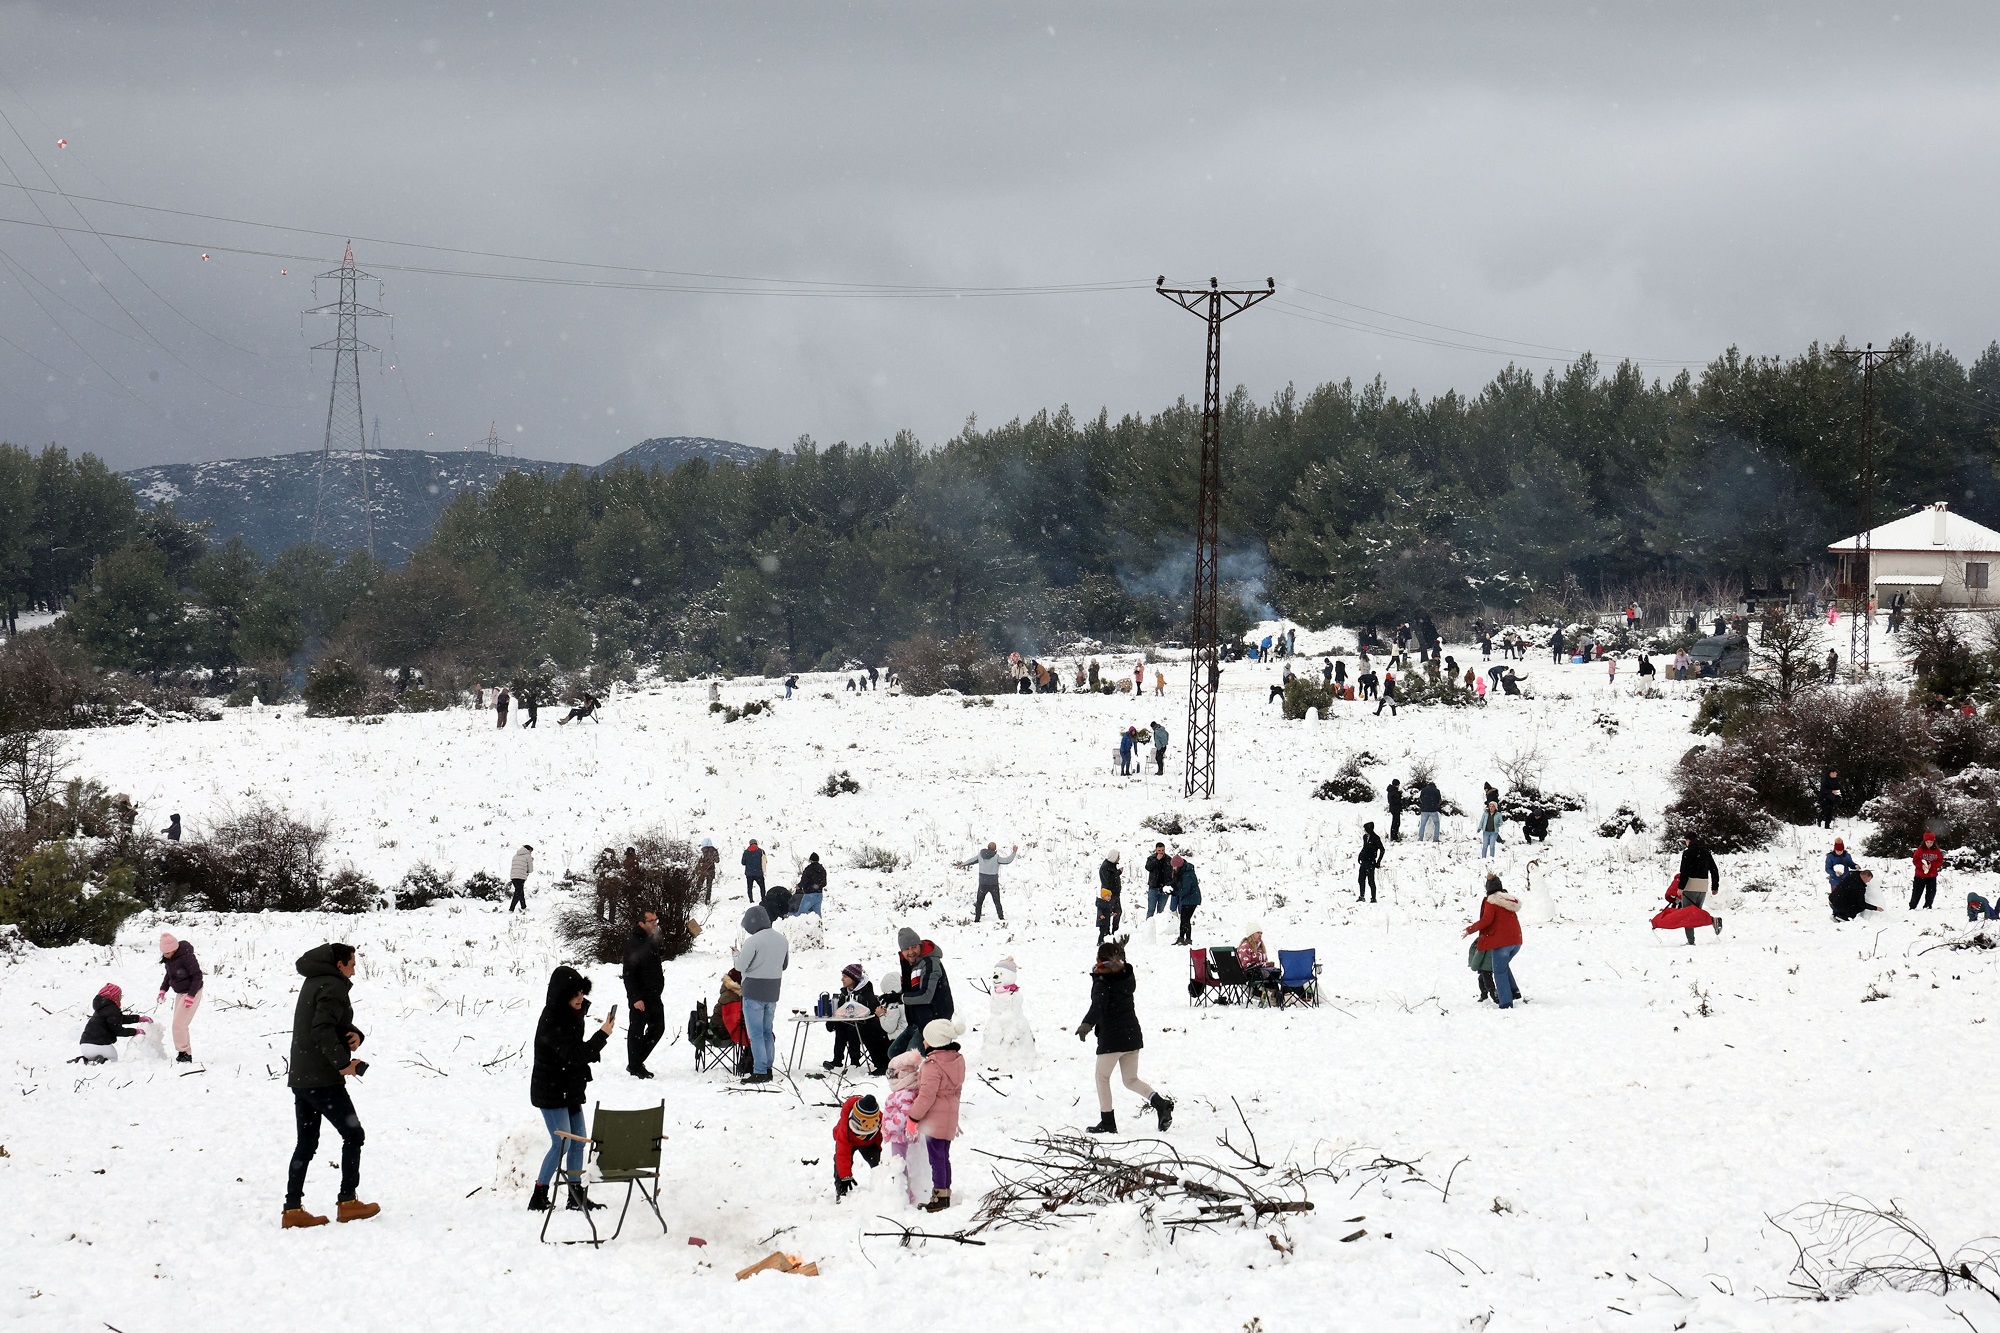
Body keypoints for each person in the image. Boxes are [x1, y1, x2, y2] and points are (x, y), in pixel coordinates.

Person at [284, 943, 378, 1227]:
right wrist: (343, 1064)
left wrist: (354, 1034)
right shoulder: (334, 986)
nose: (354, 969)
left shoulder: (314, 981)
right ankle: (348, 1202)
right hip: (323, 1079)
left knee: (307, 1143)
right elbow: (321, 1029)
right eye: (351, 963)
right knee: (354, 1135)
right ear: (339, 964)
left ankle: (292, 1210)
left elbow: (329, 1023)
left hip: (303, 1077)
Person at [529, 965, 616, 1212]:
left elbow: (575, 1054)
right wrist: (602, 1035)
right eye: (574, 995)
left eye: (581, 993)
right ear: (561, 997)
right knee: (562, 1144)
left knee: (578, 1142)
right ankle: (539, 1195)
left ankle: (576, 1197)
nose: (580, 999)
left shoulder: (572, 1014)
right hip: (551, 1091)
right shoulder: (552, 1022)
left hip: (570, 1088)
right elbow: (574, 1054)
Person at [1078, 939, 1175, 1135]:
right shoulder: (1125, 978)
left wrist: (1086, 1024)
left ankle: (1107, 1122)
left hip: (1113, 1038)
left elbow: (1098, 1005)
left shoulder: (1102, 982)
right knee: (1130, 1079)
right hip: (1132, 1035)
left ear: (1100, 960)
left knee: (1102, 1077)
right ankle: (1160, 1103)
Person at [910, 1017, 968, 1212]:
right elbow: (956, 1091)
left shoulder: (932, 1066)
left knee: (936, 1158)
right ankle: (945, 1193)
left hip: (934, 1119)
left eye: (926, 1039)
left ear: (934, 1042)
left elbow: (926, 1096)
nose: (923, 1042)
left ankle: (939, 1197)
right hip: (949, 1116)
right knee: (943, 1156)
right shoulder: (957, 1060)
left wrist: (913, 1117)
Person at [732, 904, 788, 1083]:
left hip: (753, 991)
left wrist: (736, 955)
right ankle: (768, 1068)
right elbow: (784, 965)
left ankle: (760, 1071)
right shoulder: (782, 940)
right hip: (773, 991)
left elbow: (741, 966)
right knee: (766, 1032)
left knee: (755, 1034)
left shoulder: (753, 941)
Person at [884, 927, 954, 1058]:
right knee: (894, 1053)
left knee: (912, 1058)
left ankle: (927, 1075)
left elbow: (926, 995)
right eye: (906, 949)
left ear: (920, 945)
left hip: (934, 1022)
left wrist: (901, 997)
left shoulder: (930, 963)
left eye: (914, 947)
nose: (910, 952)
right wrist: (895, 996)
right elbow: (911, 991)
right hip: (917, 1022)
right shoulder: (912, 965)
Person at [1463, 876, 1524, 1009]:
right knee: (1503, 966)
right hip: (1516, 942)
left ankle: (1506, 1002)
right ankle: (1514, 992)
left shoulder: (1491, 902)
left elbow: (1486, 921)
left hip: (1502, 944)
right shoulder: (1508, 900)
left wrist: (1470, 929)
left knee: (1499, 972)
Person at [880, 1052, 929, 1204]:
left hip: (899, 1136)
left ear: (902, 1075)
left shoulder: (905, 1094)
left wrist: (888, 1126)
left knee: (898, 1165)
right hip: (900, 1134)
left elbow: (905, 1115)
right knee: (899, 1163)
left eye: (891, 1074)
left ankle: (904, 1192)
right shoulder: (906, 1092)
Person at [623, 910, 665, 1078]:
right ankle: (635, 1065)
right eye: (651, 921)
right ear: (641, 923)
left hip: (654, 995)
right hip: (640, 997)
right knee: (637, 1030)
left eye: (656, 920)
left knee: (658, 1028)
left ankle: (636, 1061)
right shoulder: (634, 943)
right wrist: (635, 998)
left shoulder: (650, 938)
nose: (655, 923)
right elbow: (628, 973)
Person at [826, 964, 889, 1074]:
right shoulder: (844, 994)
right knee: (840, 1028)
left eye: (845, 976)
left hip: (867, 1028)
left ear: (854, 978)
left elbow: (873, 1014)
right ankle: (837, 1060)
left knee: (852, 1028)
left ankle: (854, 1062)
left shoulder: (867, 994)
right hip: (849, 1025)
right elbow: (840, 1011)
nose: (842, 979)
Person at [156, 932, 204, 1063]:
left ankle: (184, 1053)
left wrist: (191, 996)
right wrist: (163, 990)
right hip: (181, 992)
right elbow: (169, 975)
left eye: (166, 953)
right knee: (179, 1024)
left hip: (192, 991)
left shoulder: (187, 957)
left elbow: (197, 976)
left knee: (179, 1024)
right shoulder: (170, 959)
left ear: (174, 949)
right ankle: (184, 1052)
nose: (164, 956)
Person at [76, 982, 151, 1063]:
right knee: (113, 1059)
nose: (120, 999)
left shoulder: (102, 1009)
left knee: (105, 1057)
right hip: (98, 1045)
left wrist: (138, 1019)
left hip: (84, 1045)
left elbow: (119, 1019)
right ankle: (100, 1062)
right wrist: (135, 1031)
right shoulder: (112, 1010)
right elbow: (118, 1030)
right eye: (119, 996)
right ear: (114, 997)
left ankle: (84, 1059)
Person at [831, 1094, 884, 1199]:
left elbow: (881, 1141)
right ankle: (841, 1190)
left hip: (870, 1143)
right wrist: (845, 1176)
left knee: (878, 1163)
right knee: (840, 1164)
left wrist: (881, 1152)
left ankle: (882, 1186)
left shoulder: (880, 1120)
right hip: (850, 1142)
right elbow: (842, 1154)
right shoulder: (844, 1129)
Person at [956, 841, 1017, 923]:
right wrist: (1014, 852)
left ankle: (977, 919)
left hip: (983, 883)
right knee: (997, 902)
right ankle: (1001, 918)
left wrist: (962, 864)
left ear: (987, 848)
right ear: (995, 849)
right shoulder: (996, 857)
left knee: (979, 902)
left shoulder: (980, 855)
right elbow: (1007, 860)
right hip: (993, 884)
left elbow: (971, 860)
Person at [1237, 926, 1284, 1005]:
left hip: (1260, 971)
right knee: (1273, 974)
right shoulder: (1245, 947)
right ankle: (1269, 996)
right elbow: (1245, 965)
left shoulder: (1260, 947)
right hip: (1250, 973)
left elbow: (1263, 961)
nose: (1260, 935)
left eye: (1261, 933)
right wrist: (1264, 965)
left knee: (1276, 971)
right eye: (1258, 933)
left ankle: (1274, 996)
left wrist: (1268, 964)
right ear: (1251, 934)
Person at [1677, 834, 1720, 916]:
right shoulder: (1706, 853)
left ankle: (1709, 921)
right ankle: (1712, 921)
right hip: (1703, 888)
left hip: (1690, 887)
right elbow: (1714, 870)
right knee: (1696, 914)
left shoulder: (1687, 853)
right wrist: (1715, 887)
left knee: (1688, 916)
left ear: (1689, 840)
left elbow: (1684, 871)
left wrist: (1681, 887)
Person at [1169, 854, 1200, 946]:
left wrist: (1174, 893)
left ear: (1178, 866)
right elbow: (1176, 882)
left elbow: (1186, 889)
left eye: (1174, 866)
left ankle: (1187, 939)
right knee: (1184, 919)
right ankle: (1182, 938)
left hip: (1192, 899)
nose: (1173, 868)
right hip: (1188, 899)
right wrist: (1168, 885)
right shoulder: (1182, 872)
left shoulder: (1187, 874)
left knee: (1185, 919)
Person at [1911, 830, 1943, 910]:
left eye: (1931, 842)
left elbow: (1940, 861)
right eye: (1927, 842)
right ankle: (1912, 906)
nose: (1929, 844)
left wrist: (1932, 866)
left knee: (1931, 891)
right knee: (1917, 892)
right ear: (1924, 841)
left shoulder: (1936, 851)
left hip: (1931, 875)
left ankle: (1928, 905)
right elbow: (1915, 860)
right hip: (1920, 875)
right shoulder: (1920, 849)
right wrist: (1921, 866)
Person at [1096, 850, 1123, 939]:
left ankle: (1115, 932)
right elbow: (1109, 880)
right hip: (1108, 895)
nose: (1119, 858)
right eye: (1118, 857)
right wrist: (1118, 872)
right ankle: (1105, 934)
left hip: (1115, 894)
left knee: (1117, 912)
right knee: (1107, 914)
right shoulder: (1105, 867)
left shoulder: (1111, 865)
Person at [1358, 821, 1384, 902]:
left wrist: (1378, 861)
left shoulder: (1376, 838)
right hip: (1364, 861)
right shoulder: (1365, 837)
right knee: (1361, 879)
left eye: (1365, 829)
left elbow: (1382, 850)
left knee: (1371, 881)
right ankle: (1361, 896)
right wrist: (1360, 855)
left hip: (1371, 861)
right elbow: (1364, 847)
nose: (1364, 831)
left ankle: (1373, 898)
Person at [1144, 842, 1172, 918]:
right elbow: (1148, 867)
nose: (1161, 852)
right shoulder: (1151, 858)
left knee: (1161, 910)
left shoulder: (1169, 859)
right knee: (1151, 909)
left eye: (1162, 850)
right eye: (1159, 850)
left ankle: (1159, 926)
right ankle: (1149, 926)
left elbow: (1172, 873)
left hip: (1164, 888)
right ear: (1156, 850)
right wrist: (1156, 860)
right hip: (1154, 886)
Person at [797, 852, 828, 916]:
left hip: (809, 894)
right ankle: (818, 925)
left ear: (810, 860)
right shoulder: (822, 870)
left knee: (801, 913)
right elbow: (824, 883)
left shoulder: (808, 869)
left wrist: (799, 886)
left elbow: (804, 881)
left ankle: (799, 925)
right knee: (817, 914)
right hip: (819, 894)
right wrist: (818, 886)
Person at [508, 844, 534, 912]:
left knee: (520, 891)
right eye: (531, 851)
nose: (531, 853)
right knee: (518, 892)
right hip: (521, 877)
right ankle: (511, 909)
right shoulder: (528, 856)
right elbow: (530, 869)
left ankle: (523, 907)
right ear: (528, 850)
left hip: (513, 876)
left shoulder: (515, 856)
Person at [694, 838, 719, 903]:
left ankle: (695, 897)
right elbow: (717, 860)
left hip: (703, 870)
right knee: (709, 886)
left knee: (699, 884)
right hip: (711, 871)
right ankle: (707, 900)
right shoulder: (714, 851)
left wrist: (697, 869)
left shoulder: (703, 851)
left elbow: (700, 861)